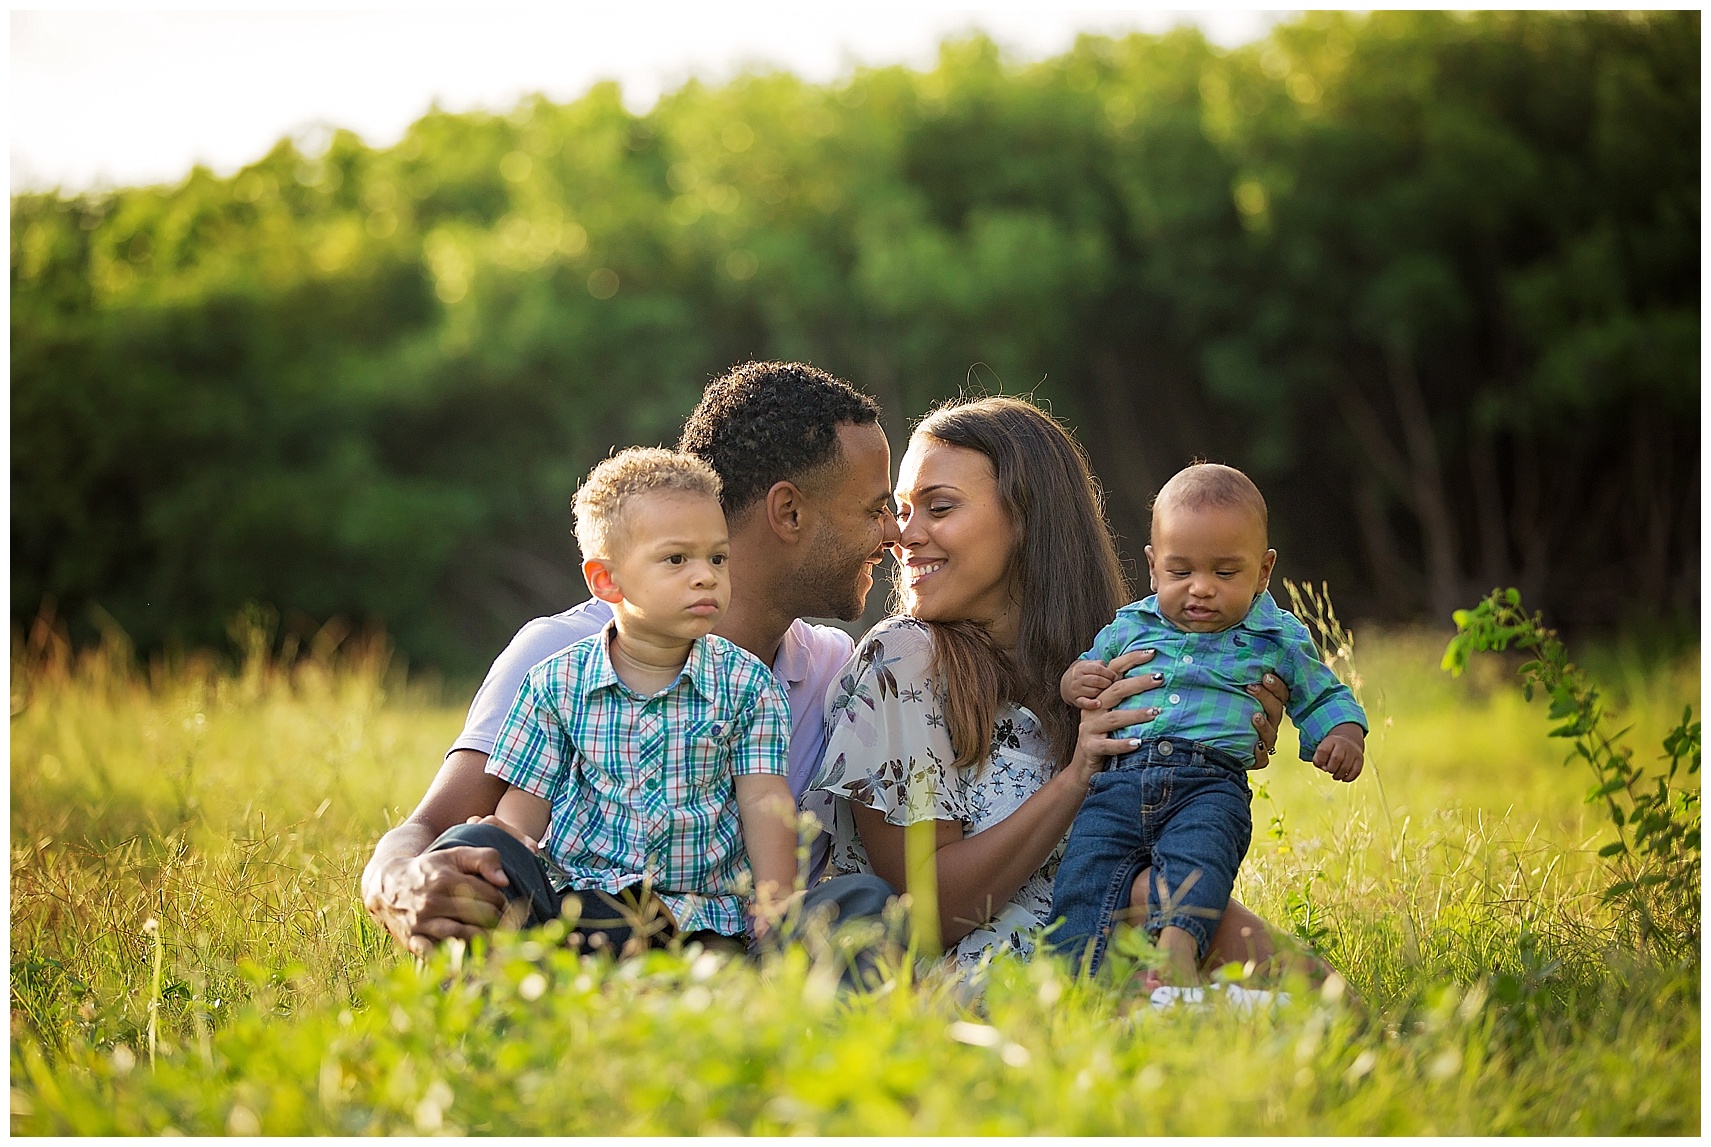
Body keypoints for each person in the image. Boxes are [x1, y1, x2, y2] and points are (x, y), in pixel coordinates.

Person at [361, 361, 903, 957]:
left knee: (863, 907)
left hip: (725, 946)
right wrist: (397, 883)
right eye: (876, 509)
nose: (893, 534)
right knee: (474, 853)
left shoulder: (837, 673)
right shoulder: (558, 656)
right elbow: (431, 831)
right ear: (789, 512)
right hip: (580, 928)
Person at [810, 396, 1300, 976]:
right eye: (902, 509)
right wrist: (1076, 778)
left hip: (1122, 946)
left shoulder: (1116, 652)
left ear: (1026, 517)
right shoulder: (905, 664)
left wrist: (1214, 739)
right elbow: (933, 910)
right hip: (993, 993)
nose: (902, 535)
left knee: (1220, 938)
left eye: (937, 508)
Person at [425, 448, 798, 956]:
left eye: (717, 558)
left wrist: (775, 907)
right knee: (472, 846)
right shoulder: (556, 683)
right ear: (606, 580)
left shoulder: (747, 685)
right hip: (578, 905)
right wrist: (507, 843)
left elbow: (763, 801)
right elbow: (527, 802)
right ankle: (486, 997)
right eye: (676, 559)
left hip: (698, 917)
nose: (706, 576)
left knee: (715, 976)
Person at [1050, 462, 1367, 982]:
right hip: (1117, 785)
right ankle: (1069, 983)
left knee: (1198, 864)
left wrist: (1342, 733)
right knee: (1085, 873)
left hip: (1209, 784)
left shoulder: (1276, 635)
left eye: (1224, 573)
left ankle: (1174, 955)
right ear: (1153, 567)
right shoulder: (1132, 623)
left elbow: (1321, 691)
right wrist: (1075, 683)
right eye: (1181, 572)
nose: (1201, 589)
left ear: (1263, 572)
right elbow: (1089, 668)